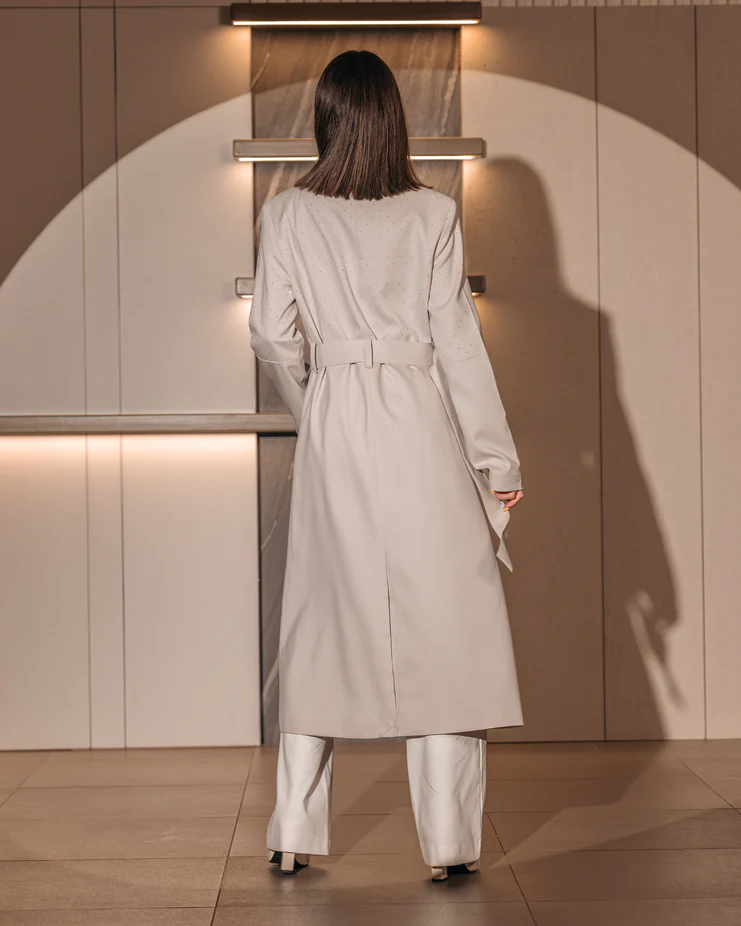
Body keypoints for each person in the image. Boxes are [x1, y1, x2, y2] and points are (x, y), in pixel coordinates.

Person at [248, 49, 524, 882]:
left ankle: (292, 833)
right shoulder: (432, 213)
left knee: (319, 623)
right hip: (418, 422)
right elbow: (457, 343)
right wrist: (493, 457)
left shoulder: (287, 212)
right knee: (444, 627)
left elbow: (271, 336)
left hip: (335, 420)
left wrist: (317, 410)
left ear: (326, 119)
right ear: (392, 120)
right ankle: (449, 845)